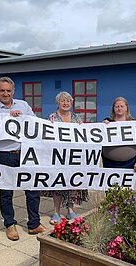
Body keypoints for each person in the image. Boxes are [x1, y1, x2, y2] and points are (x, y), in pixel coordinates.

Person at [0, 77, 47, 241]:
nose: (6, 93)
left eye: (8, 90)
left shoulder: (24, 105)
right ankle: (10, 224)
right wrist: (6, 118)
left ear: (13, 91)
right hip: (4, 155)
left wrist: (22, 118)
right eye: (2, 90)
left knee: (32, 190)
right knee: (6, 192)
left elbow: (34, 123)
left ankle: (34, 223)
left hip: (26, 153)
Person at [42, 91, 89, 225]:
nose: (65, 103)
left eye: (68, 101)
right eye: (63, 101)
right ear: (58, 103)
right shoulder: (52, 118)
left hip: (73, 157)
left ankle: (70, 210)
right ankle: (56, 212)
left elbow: (84, 135)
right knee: (57, 184)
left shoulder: (77, 118)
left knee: (72, 183)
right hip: (57, 156)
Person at [102, 97, 136, 171]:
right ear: (113, 109)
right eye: (117, 106)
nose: (119, 108)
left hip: (129, 163)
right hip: (108, 163)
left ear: (126, 108)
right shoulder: (107, 123)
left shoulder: (134, 124)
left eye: (122, 106)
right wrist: (103, 126)